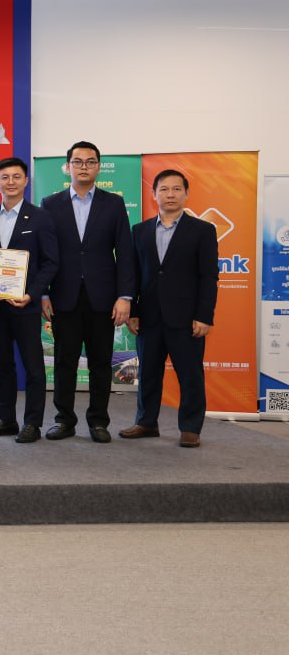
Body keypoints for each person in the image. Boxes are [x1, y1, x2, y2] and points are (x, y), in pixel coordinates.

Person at [40, 141, 134, 443]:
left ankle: (98, 421)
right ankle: (64, 420)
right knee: (64, 362)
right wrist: (43, 293)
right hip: (63, 296)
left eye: (90, 161)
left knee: (100, 362)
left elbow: (125, 253)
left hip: (103, 298)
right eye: (77, 161)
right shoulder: (50, 203)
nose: (84, 167)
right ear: (67, 166)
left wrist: (125, 296)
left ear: (98, 167)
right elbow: (44, 252)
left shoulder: (114, 203)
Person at [123, 170, 218, 448]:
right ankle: (146, 422)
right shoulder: (140, 231)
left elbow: (208, 277)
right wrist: (134, 311)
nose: (171, 194)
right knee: (148, 373)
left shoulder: (203, 230)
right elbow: (134, 275)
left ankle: (190, 427)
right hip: (149, 317)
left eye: (177, 189)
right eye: (164, 189)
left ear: (186, 194)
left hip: (186, 318)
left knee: (190, 374)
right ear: (154, 195)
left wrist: (204, 315)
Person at [0, 157, 60, 443]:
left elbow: (50, 262)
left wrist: (31, 294)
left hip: (25, 304)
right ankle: (7, 420)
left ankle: (32, 423)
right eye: (5, 177)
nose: (10, 182)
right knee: (1, 365)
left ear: (26, 181)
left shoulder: (41, 217)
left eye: (16, 176)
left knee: (33, 367)